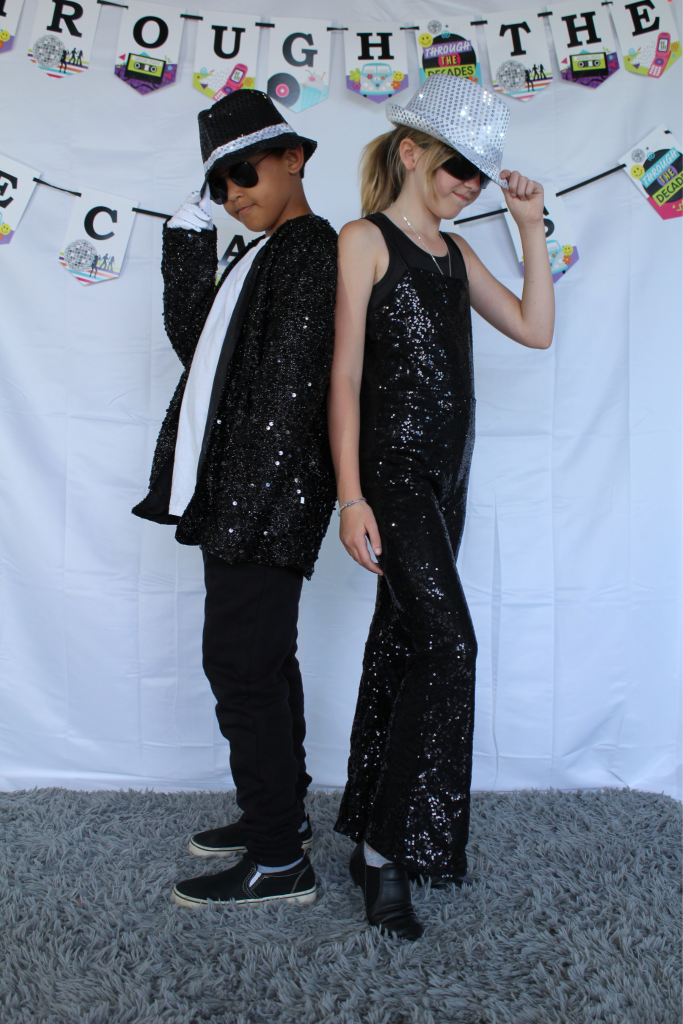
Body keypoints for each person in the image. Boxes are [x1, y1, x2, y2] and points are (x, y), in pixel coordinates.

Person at [329, 75, 554, 939]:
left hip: (448, 477)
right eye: (460, 166)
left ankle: (367, 831)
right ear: (413, 150)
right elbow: (344, 375)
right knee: (451, 643)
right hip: (388, 472)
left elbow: (535, 330)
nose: (468, 185)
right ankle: (390, 856)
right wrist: (350, 494)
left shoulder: (457, 255)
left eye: (481, 176)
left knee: (405, 645)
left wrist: (528, 230)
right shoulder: (365, 239)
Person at [133, 90, 337, 908]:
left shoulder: (311, 250)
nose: (231, 196)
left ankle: (278, 857)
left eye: (242, 173)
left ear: (293, 157)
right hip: (239, 494)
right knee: (262, 661)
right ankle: (277, 819)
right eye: (216, 186)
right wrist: (188, 244)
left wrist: (246, 511)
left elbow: (287, 393)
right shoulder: (255, 252)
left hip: (266, 496)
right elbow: (201, 351)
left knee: (241, 665)